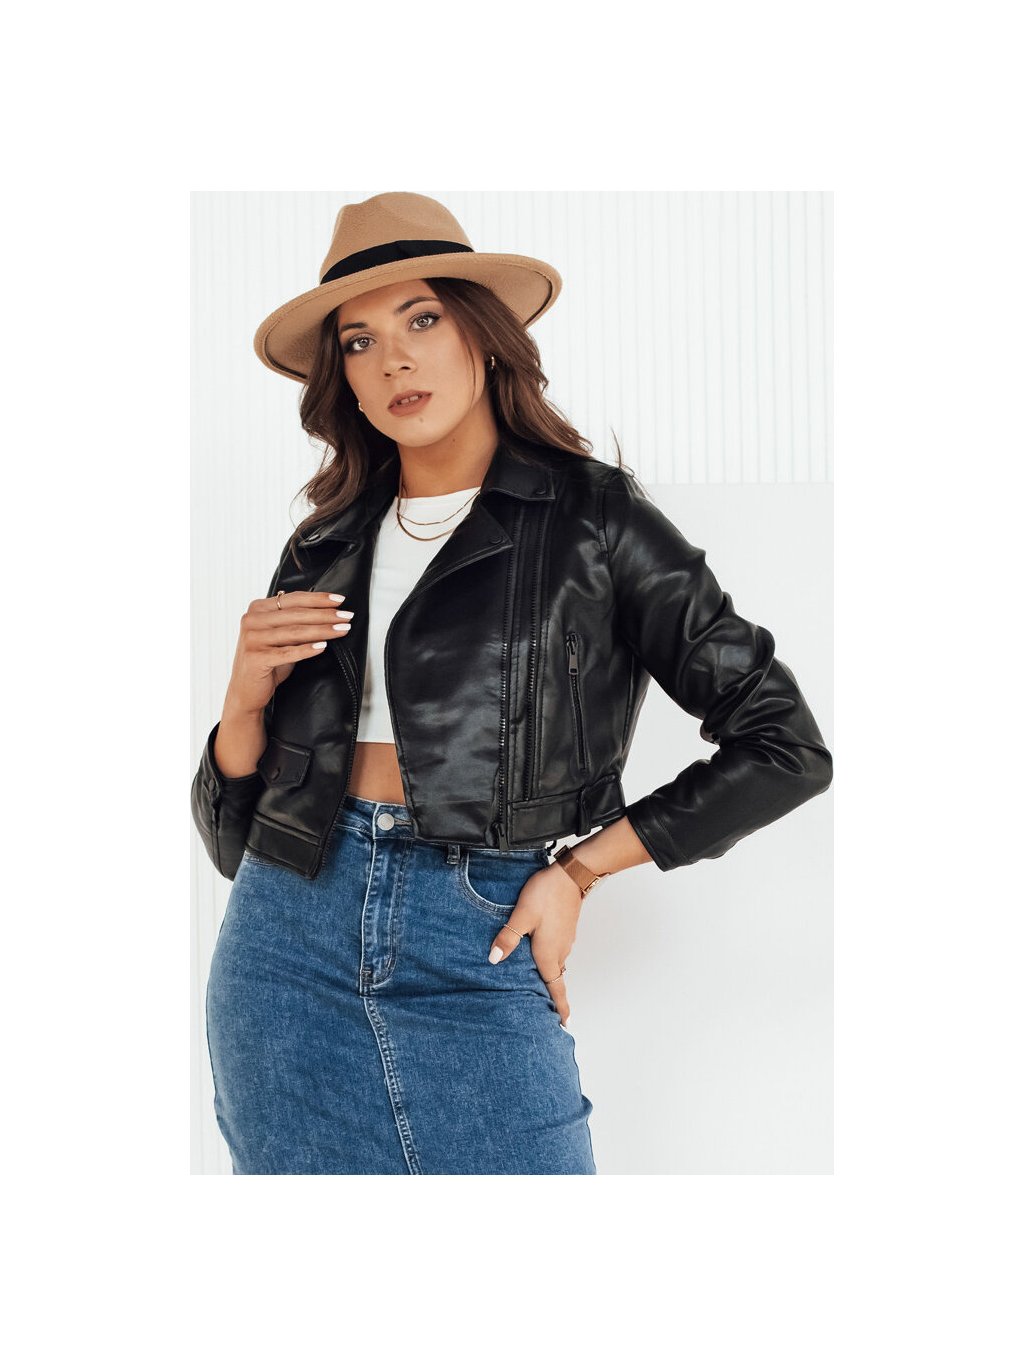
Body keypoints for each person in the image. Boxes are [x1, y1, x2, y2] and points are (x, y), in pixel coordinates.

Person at [191, 192, 833, 1175]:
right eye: (359, 342)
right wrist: (241, 700)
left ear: (483, 337)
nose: (393, 359)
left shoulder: (596, 520)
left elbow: (785, 745)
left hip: (479, 928)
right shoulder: (323, 545)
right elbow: (236, 845)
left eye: (421, 319)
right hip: (284, 943)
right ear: (343, 382)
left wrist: (577, 872)